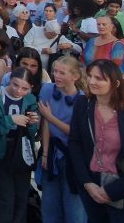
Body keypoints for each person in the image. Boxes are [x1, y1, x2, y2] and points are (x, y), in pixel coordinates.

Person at [68, 59, 124, 223]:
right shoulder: (82, 105)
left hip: (122, 188)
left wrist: (110, 192)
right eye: (90, 76)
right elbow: (75, 143)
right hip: (91, 184)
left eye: (99, 78)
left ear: (115, 83)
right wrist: (86, 182)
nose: (91, 81)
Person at [0, 66, 40, 223]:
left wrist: (32, 124)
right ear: (9, 80)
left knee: (22, 195)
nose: (18, 91)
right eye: (15, 85)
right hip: (0, 150)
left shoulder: (30, 99)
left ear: (31, 88)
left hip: (22, 151)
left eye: (24, 88)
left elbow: (31, 134)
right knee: (5, 196)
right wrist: (12, 120)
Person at [38, 56, 87, 223]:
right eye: (55, 71)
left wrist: (51, 117)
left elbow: (76, 132)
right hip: (52, 152)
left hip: (72, 156)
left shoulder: (82, 100)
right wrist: (45, 152)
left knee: (73, 207)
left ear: (74, 77)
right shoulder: (47, 90)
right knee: (50, 206)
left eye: (62, 73)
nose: (57, 76)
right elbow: (45, 123)